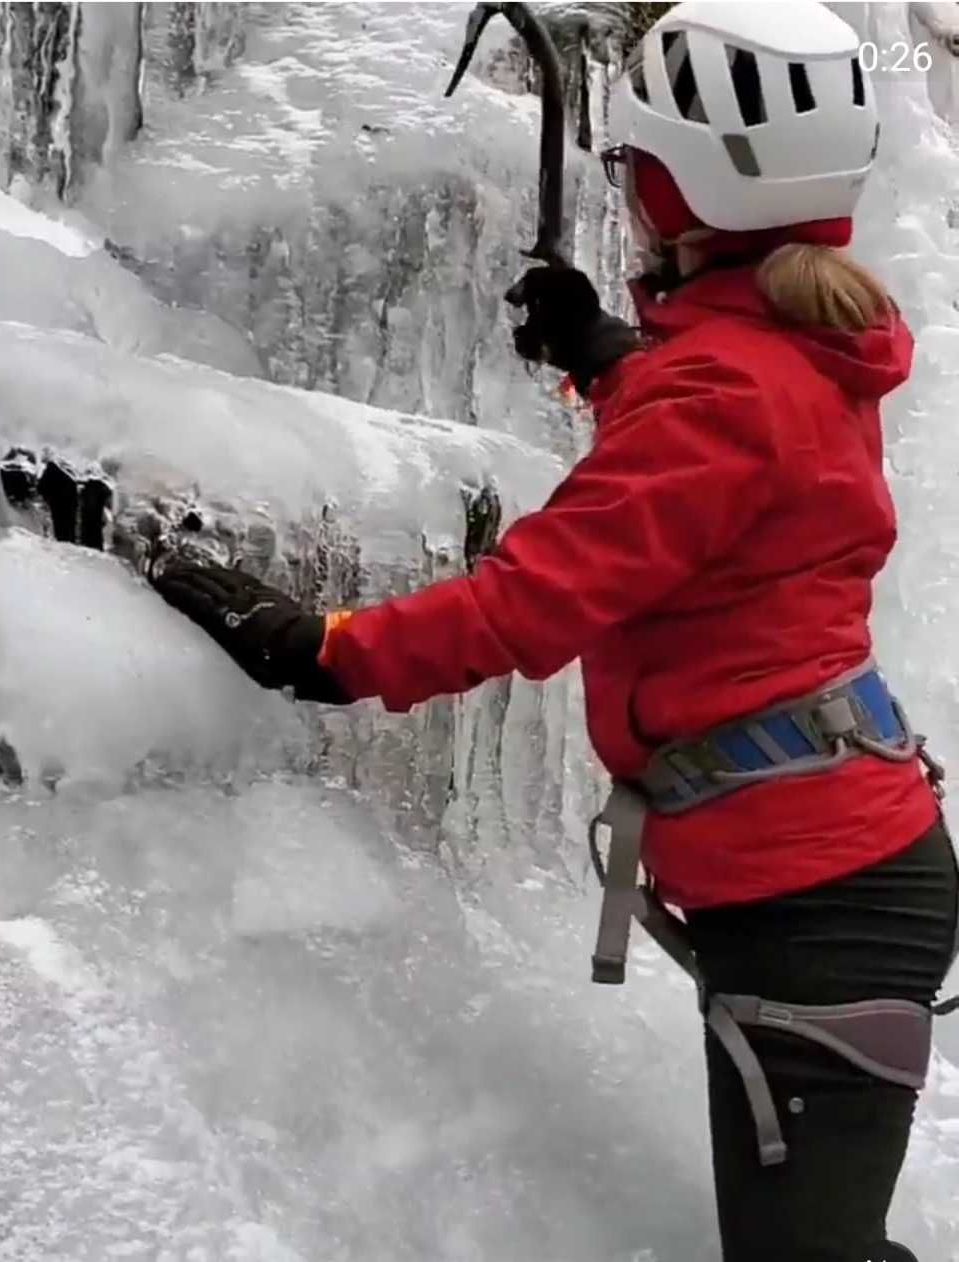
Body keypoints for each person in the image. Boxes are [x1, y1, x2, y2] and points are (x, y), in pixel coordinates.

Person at [151, 4, 958, 1259]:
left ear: (669, 189)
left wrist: (329, 649)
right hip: (826, 872)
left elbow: (536, 595)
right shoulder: (798, 344)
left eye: (632, 168)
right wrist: (604, 355)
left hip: (818, 900)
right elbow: (728, 460)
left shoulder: (722, 389)